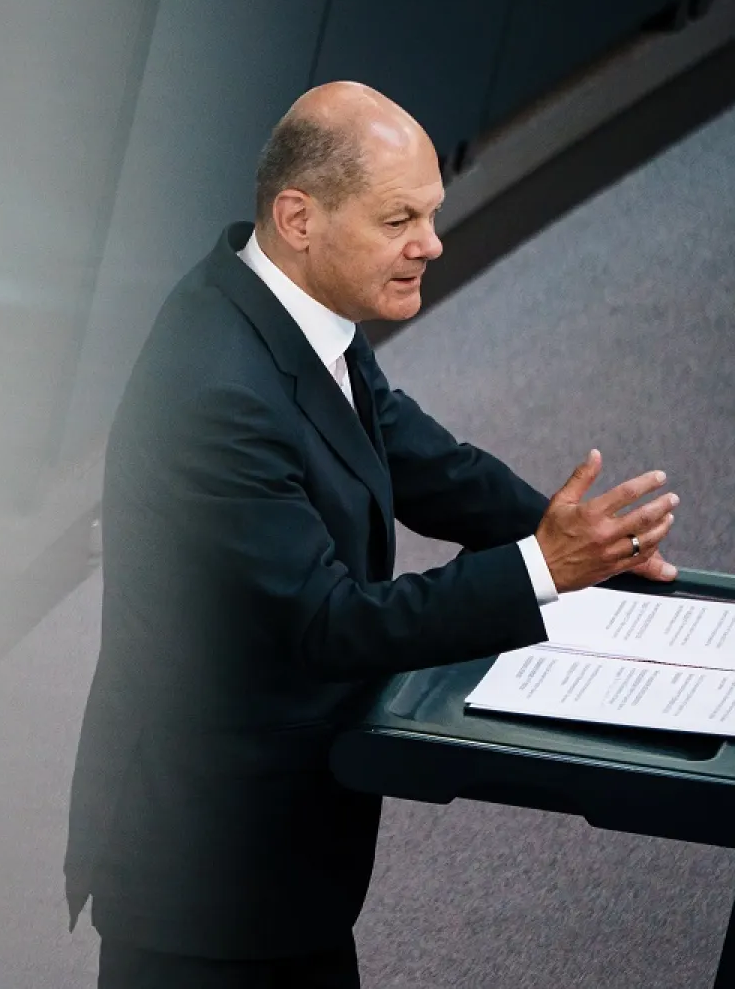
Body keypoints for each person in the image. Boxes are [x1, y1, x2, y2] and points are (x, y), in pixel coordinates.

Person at [63, 81, 680, 989]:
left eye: (430, 214)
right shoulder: (217, 392)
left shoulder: (288, 305)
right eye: (400, 219)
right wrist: (542, 566)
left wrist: (589, 540)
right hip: (203, 873)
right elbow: (331, 622)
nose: (430, 243)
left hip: (277, 860)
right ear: (299, 216)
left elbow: (420, 456)